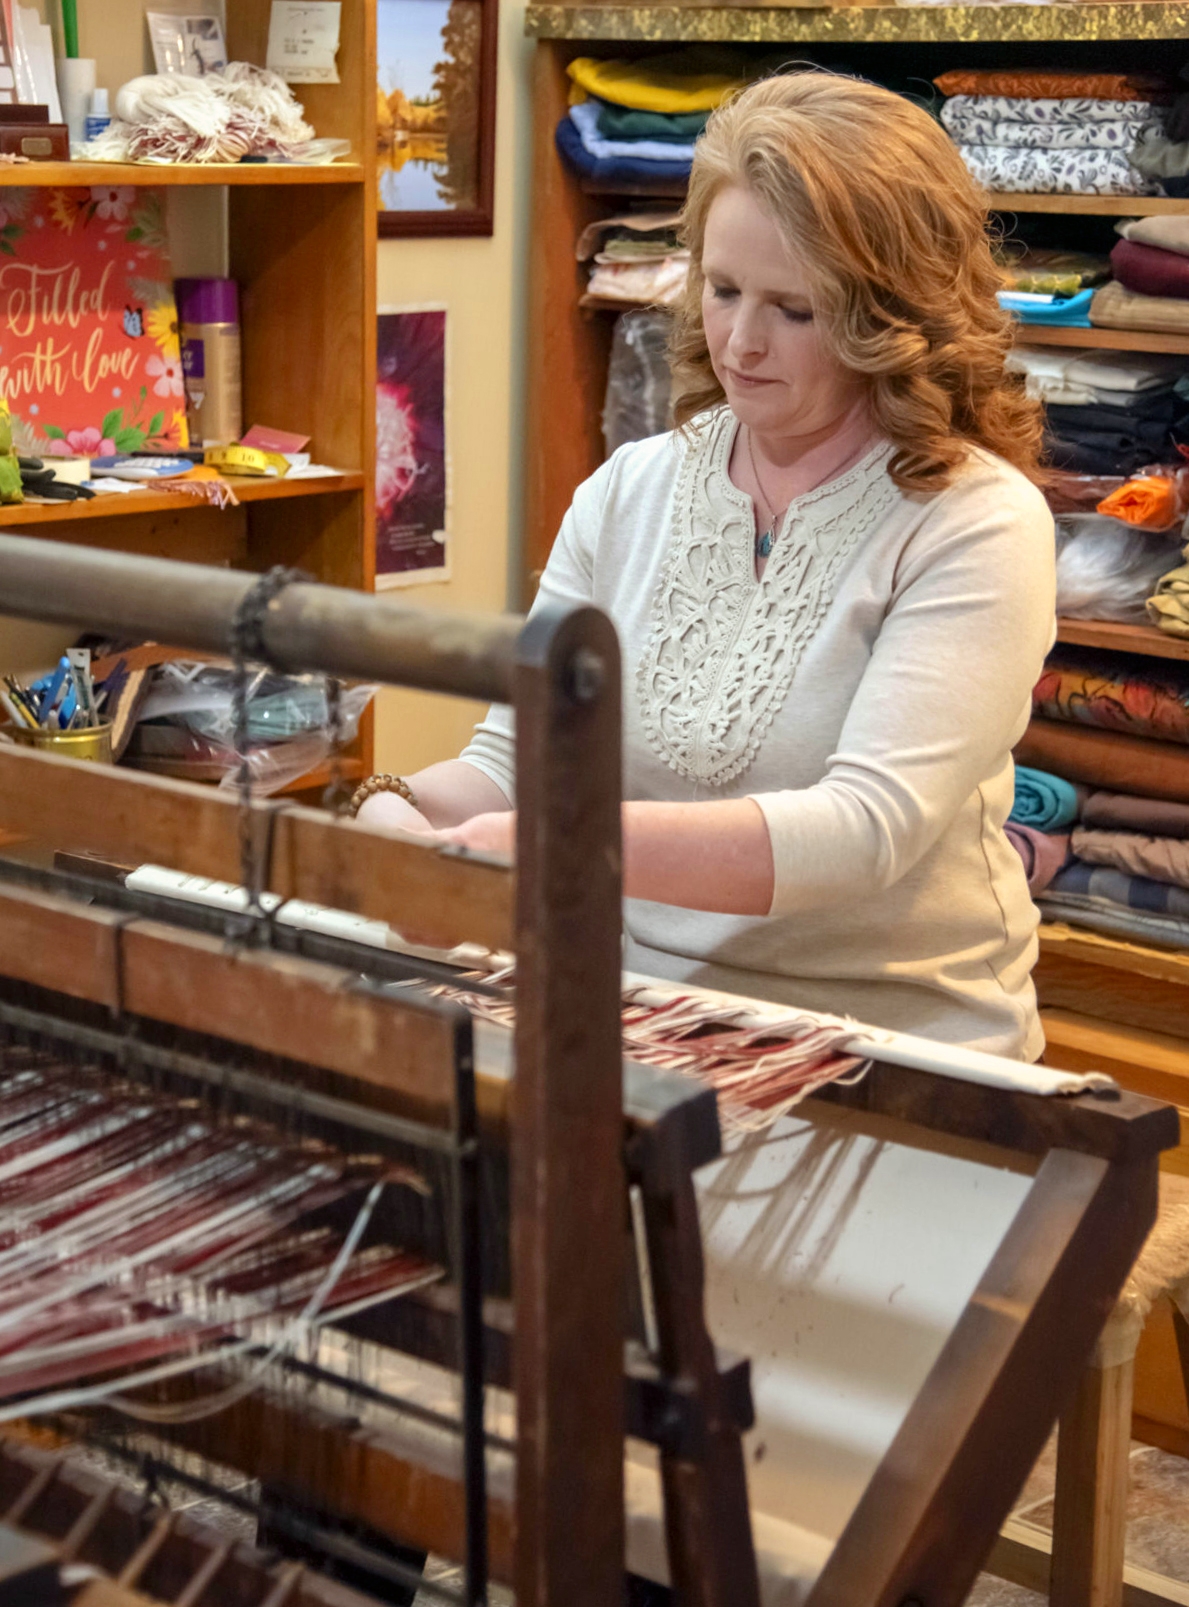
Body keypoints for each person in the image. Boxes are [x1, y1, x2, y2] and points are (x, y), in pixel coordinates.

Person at [356, 70, 1056, 1060]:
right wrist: (392, 815)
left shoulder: (975, 523)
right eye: (721, 290)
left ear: (893, 314)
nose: (738, 339)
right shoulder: (630, 489)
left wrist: (561, 843)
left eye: (794, 310)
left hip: (899, 1059)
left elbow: (863, 832)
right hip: (652, 1033)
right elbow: (514, 766)